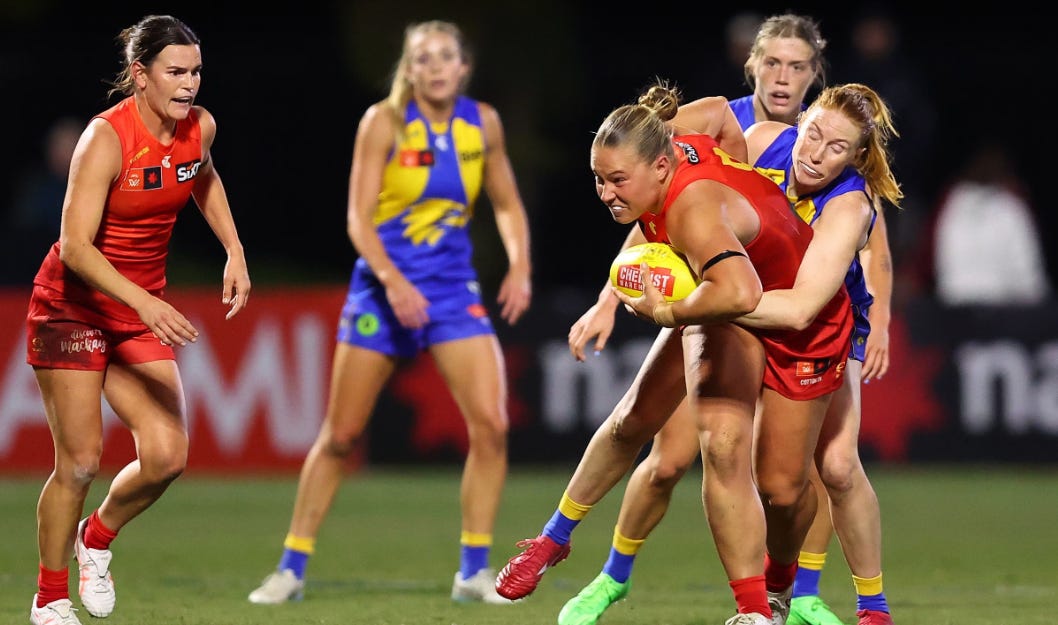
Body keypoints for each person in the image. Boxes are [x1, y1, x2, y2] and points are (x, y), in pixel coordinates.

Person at [557, 16, 896, 625]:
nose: (783, 76)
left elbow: (835, 283)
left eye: (797, 65)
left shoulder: (850, 196)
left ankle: (833, 600)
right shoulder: (746, 133)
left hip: (810, 324)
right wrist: (613, 296)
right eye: (774, 63)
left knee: (827, 470)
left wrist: (883, 320)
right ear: (753, 65)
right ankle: (611, 578)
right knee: (667, 457)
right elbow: (651, 194)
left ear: (814, 75)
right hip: (728, 312)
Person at [495, 80, 853, 625]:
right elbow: (722, 118)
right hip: (725, 305)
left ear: (660, 168)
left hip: (798, 325)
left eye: (618, 180)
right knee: (675, 433)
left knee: (784, 490)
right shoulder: (669, 139)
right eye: (599, 178)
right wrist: (741, 183)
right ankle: (557, 540)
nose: (607, 193)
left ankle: (781, 585)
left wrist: (667, 312)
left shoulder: (693, 213)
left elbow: (741, 292)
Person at [247, 20, 532, 607]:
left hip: (450, 292)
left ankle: (473, 572)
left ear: (463, 67)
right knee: (341, 435)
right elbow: (358, 219)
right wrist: (395, 282)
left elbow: (506, 204)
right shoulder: (384, 122)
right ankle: (290, 568)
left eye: (446, 56)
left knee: (492, 427)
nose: (435, 66)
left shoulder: (483, 124)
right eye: (423, 57)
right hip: (382, 290)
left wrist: (521, 265)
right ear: (409, 68)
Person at [25, 15, 251, 625]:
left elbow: (202, 176)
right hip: (72, 307)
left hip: (134, 310)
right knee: (79, 462)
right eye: (175, 72)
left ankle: (95, 538)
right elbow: (75, 247)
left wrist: (233, 249)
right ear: (140, 75)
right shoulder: (105, 138)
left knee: (167, 456)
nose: (189, 84)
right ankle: (50, 600)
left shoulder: (200, 128)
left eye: (196, 71)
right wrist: (146, 302)